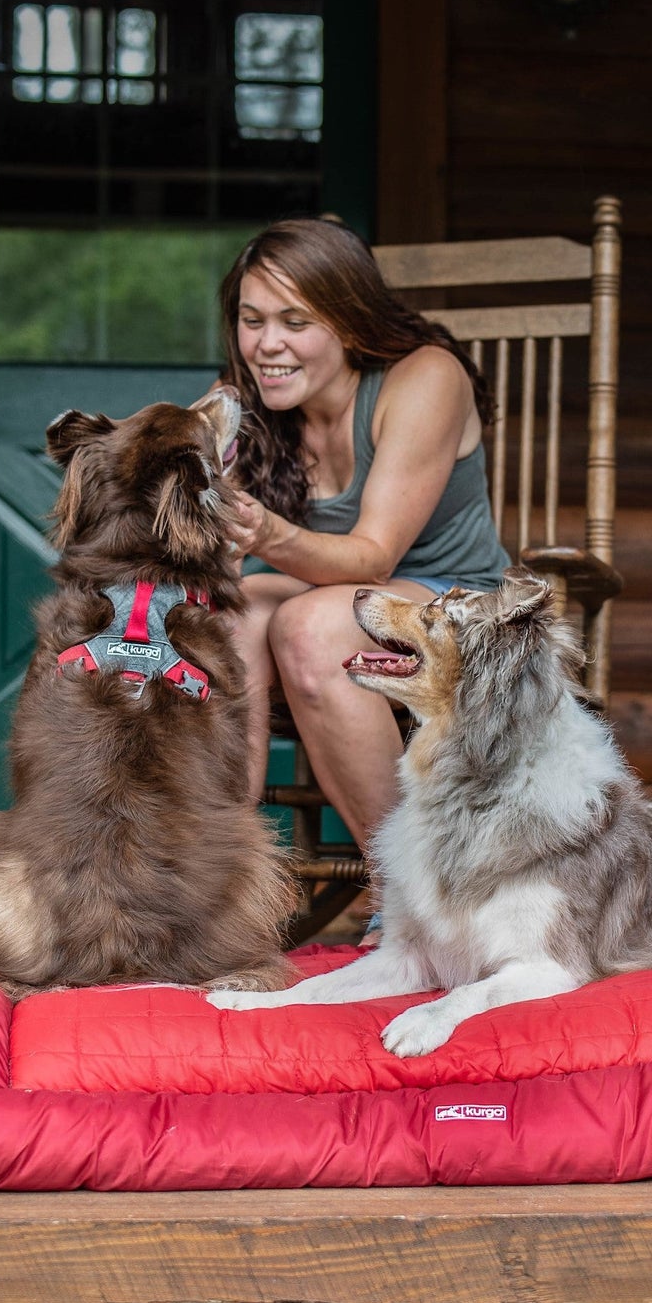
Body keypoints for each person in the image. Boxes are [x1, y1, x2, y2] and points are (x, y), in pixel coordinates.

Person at [218, 216, 510, 857]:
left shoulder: (426, 376)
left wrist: (262, 529)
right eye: (252, 319)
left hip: (460, 608)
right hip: (336, 595)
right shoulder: (246, 401)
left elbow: (374, 559)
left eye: (295, 323)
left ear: (348, 322)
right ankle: (219, 879)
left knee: (309, 627)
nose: (267, 344)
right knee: (227, 619)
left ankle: (402, 887)